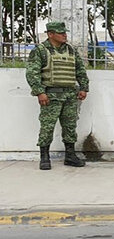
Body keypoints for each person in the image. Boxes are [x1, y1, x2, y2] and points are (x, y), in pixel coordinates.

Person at [24, 21, 89, 170]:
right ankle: (44, 157)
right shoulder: (40, 50)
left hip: (70, 96)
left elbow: (80, 70)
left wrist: (84, 88)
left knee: (70, 126)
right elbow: (32, 73)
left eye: (65, 32)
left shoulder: (71, 51)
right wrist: (40, 92)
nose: (64, 35)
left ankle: (70, 156)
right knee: (47, 127)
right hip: (51, 96)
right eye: (61, 33)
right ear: (50, 34)